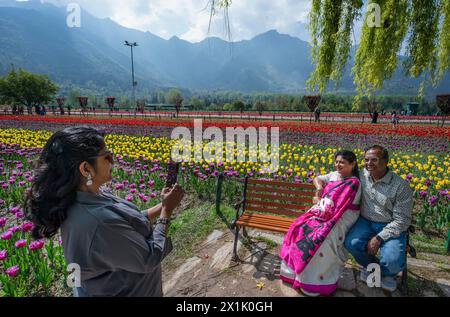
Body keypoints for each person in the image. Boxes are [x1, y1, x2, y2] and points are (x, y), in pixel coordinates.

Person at [25, 126, 184, 297]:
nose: (113, 160)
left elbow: (127, 222)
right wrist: (166, 213)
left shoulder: (85, 196)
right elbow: (149, 258)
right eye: (106, 156)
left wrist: (163, 205)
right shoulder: (99, 222)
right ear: (85, 169)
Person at [280, 150, 361, 296]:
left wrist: (321, 203)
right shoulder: (334, 175)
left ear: (353, 164)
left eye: (342, 162)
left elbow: (339, 204)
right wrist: (319, 188)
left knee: (321, 238)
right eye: (336, 162)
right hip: (325, 212)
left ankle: (315, 282)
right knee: (301, 229)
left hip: (342, 217)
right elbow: (317, 179)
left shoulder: (354, 183)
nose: (338, 165)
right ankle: (296, 275)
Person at [345, 145, 413, 292]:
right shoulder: (361, 175)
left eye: (374, 160)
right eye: (366, 159)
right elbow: (337, 175)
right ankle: (372, 266)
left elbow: (402, 220)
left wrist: (379, 238)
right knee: (352, 243)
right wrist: (320, 184)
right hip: (365, 221)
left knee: (393, 261)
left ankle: (388, 273)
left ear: (386, 161)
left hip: (390, 225)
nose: (369, 163)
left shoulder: (400, 186)